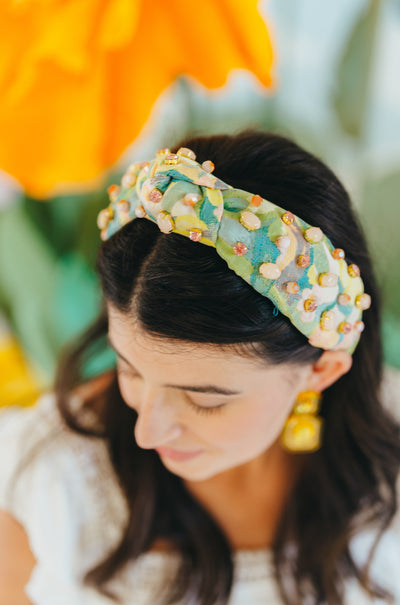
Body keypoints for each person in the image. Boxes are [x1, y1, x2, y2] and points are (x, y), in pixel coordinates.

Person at [1, 130, 400, 605]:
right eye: (129, 370)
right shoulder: (47, 479)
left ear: (322, 372)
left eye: (204, 399)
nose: (145, 432)